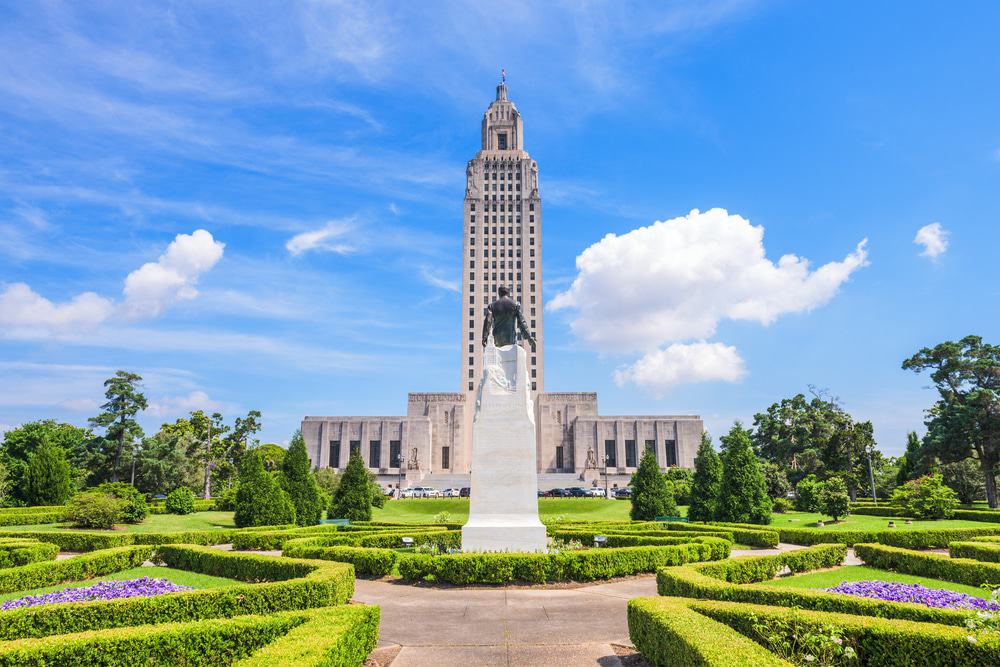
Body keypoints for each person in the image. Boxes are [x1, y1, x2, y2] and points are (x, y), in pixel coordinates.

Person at [481, 285, 536, 350]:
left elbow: (487, 322)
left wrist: (484, 337)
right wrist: (529, 337)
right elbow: (522, 322)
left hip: (497, 338)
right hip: (510, 337)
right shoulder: (515, 304)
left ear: (499, 293)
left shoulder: (492, 306)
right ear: (509, 293)